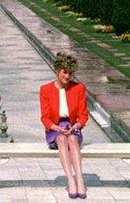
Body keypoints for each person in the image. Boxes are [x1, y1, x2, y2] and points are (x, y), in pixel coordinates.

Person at [39, 52, 89, 199]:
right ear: (57, 71)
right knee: (61, 139)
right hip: (55, 129)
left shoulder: (79, 88)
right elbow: (45, 118)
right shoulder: (45, 89)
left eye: (70, 73)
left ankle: (80, 179)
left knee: (72, 140)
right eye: (64, 72)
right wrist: (58, 129)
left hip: (73, 127)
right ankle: (70, 180)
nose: (67, 76)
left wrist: (76, 126)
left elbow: (84, 115)